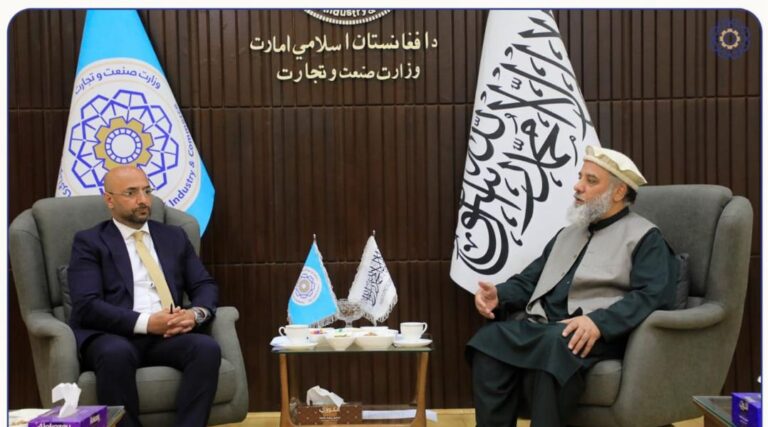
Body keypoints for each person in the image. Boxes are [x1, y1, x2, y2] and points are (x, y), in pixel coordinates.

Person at [466, 146, 678, 427]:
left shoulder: (645, 237)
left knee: (557, 345)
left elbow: (653, 295)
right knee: (488, 341)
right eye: (580, 177)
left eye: (591, 180)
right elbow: (531, 280)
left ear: (618, 192)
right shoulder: (568, 234)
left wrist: (598, 322)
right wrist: (499, 295)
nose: (578, 186)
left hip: (598, 334)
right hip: (548, 328)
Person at [68, 165, 220, 427]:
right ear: (109, 200)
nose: (143, 200)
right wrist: (148, 323)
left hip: (168, 335)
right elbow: (87, 305)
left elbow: (204, 284)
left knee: (206, 348)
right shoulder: (90, 242)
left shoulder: (173, 236)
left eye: (147, 191)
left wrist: (195, 315)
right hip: (114, 334)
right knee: (115, 354)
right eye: (131, 193)